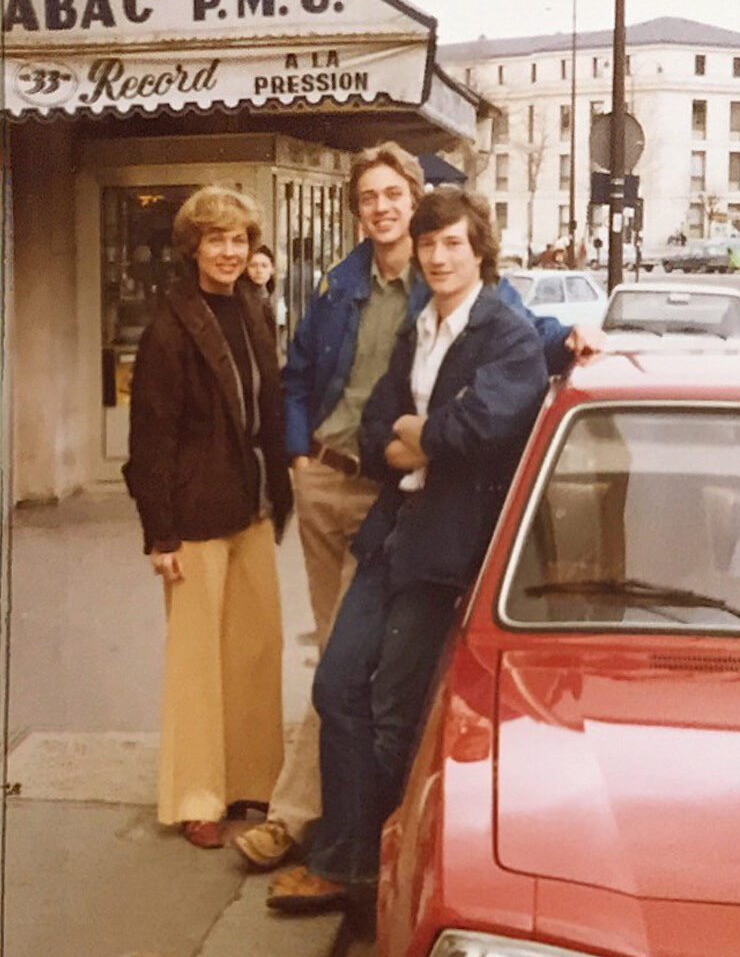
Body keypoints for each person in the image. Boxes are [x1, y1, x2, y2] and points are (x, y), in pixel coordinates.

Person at [233, 143, 605, 873]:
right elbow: (309, 377)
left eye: (393, 196)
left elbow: (513, 347)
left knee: (368, 686)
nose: (384, 209)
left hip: (414, 516)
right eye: (368, 197)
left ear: (415, 201)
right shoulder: (348, 287)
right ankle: (339, 838)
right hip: (338, 484)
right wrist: (299, 448)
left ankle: (321, 832)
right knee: (338, 672)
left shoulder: (459, 301)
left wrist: (564, 338)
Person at [267, 188, 549, 911]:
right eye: (429, 245)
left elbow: (480, 427)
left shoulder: (505, 331)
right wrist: (418, 433)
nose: (439, 256)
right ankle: (356, 856)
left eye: (453, 243)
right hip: (394, 528)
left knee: (394, 710)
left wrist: (420, 433)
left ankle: (360, 866)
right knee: (336, 687)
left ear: (479, 248)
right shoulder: (418, 325)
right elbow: (372, 429)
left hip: (447, 546)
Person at [123, 185, 293, 850]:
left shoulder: (251, 306)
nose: (229, 251)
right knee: (197, 663)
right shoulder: (169, 327)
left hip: (248, 502)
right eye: (216, 239)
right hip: (192, 513)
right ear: (193, 246)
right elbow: (150, 439)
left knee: (257, 648)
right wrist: (159, 533)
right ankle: (197, 794)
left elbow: (266, 403)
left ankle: (251, 777)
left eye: (239, 240)